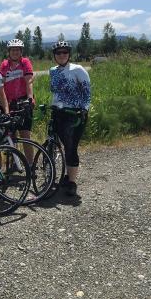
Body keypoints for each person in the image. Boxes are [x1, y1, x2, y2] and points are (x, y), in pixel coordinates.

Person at [50, 41, 90, 197]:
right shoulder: (53, 70)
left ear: (69, 54)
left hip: (75, 114)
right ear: (54, 55)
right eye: (58, 53)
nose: (61, 55)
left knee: (71, 147)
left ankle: (72, 182)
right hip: (58, 112)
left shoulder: (78, 69)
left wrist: (84, 109)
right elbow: (55, 92)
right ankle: (66, 175)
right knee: (64, 145)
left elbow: (87, 93)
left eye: (64, 52)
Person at [0, 39, 34, 163]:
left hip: (23, 100)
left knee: (25, 135)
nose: (15, 52)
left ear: (21, 51)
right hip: (9, 103)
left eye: (17, 50)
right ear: (9, 52)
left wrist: (29, 98)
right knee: (11, 135)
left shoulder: (25, 62)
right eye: (13, 50)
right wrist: (0, 101)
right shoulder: (4, 65)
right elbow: (0, 84)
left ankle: (30, 164)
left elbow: (29, 81)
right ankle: (15, 162)